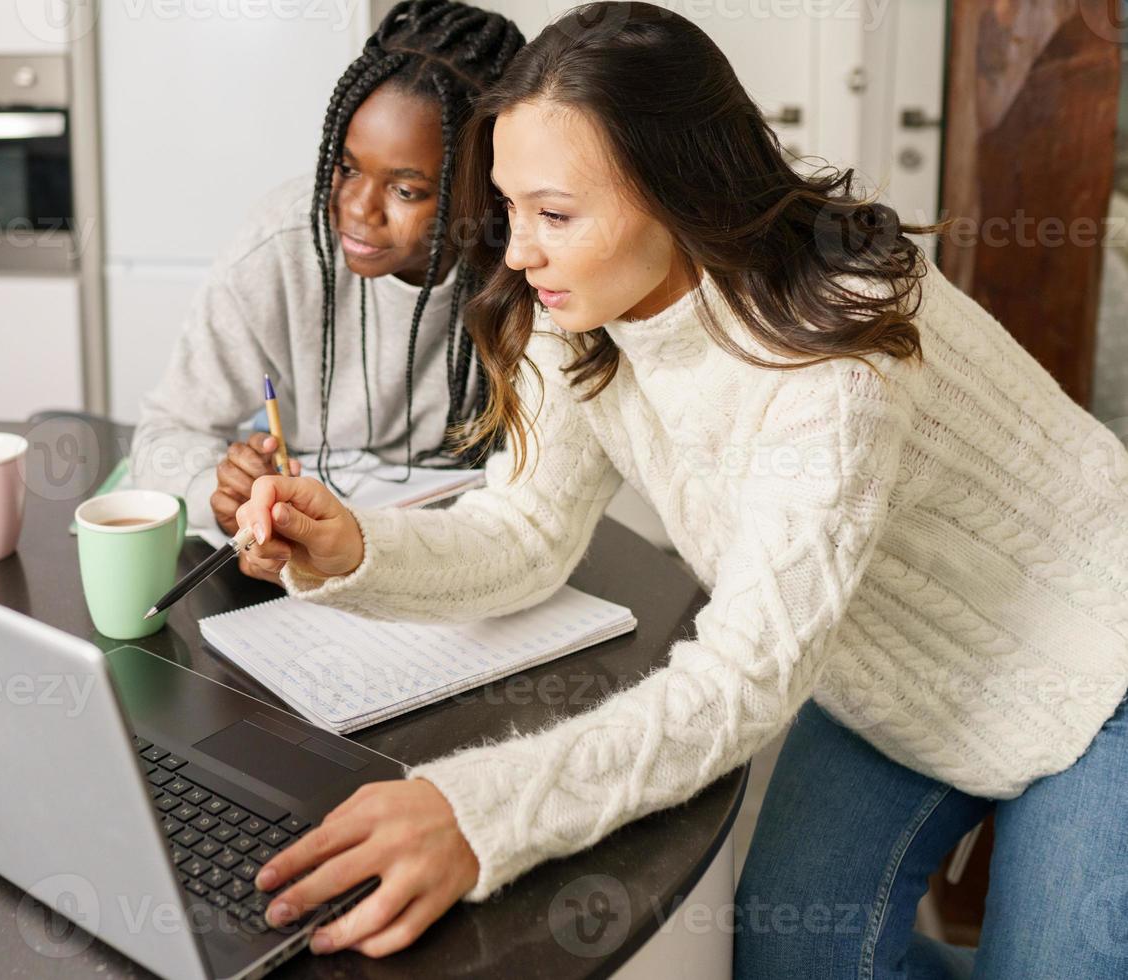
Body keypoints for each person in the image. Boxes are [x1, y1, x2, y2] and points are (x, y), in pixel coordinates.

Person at [229, 3, 1128, 974]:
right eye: (510, 205)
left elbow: (740, 679)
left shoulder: (834, 359)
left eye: (556, 213)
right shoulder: (572, 307)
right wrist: (356, 547)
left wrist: (480, 809)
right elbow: (527, 530)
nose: (519, 250)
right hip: (882, 664)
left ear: (676, 190)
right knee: (785, 962)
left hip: (1092, 651)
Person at [130, 1, 524, 582]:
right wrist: (220, 494)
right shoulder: (279, 248)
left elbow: (538, 482)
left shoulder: (526, 264)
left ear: (480, 188)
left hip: (456, 555)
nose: (358, 210)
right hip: (303, 566)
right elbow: (165, 434)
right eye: (345, 167)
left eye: (407, 190)